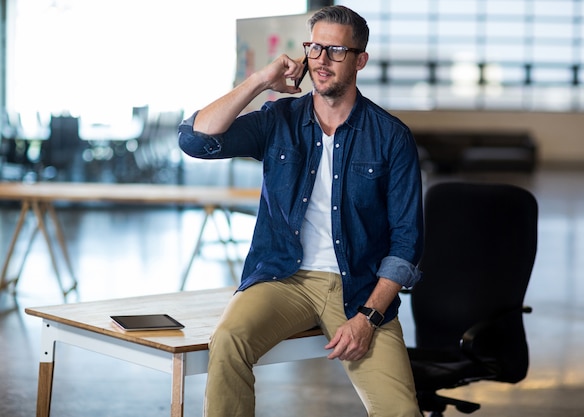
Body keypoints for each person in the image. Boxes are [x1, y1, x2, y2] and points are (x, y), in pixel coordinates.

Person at [178, 5, 423, 417]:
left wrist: (368, 318)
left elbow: (407, 242)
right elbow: (196, 141)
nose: (320, 60)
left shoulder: (391, 137)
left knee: (400, 411)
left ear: (360, 59)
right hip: (282, 278)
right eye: (314, 47)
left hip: (359, 289)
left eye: (335, 51)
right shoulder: (280, 119)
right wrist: (259, 81)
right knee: (229, 341)